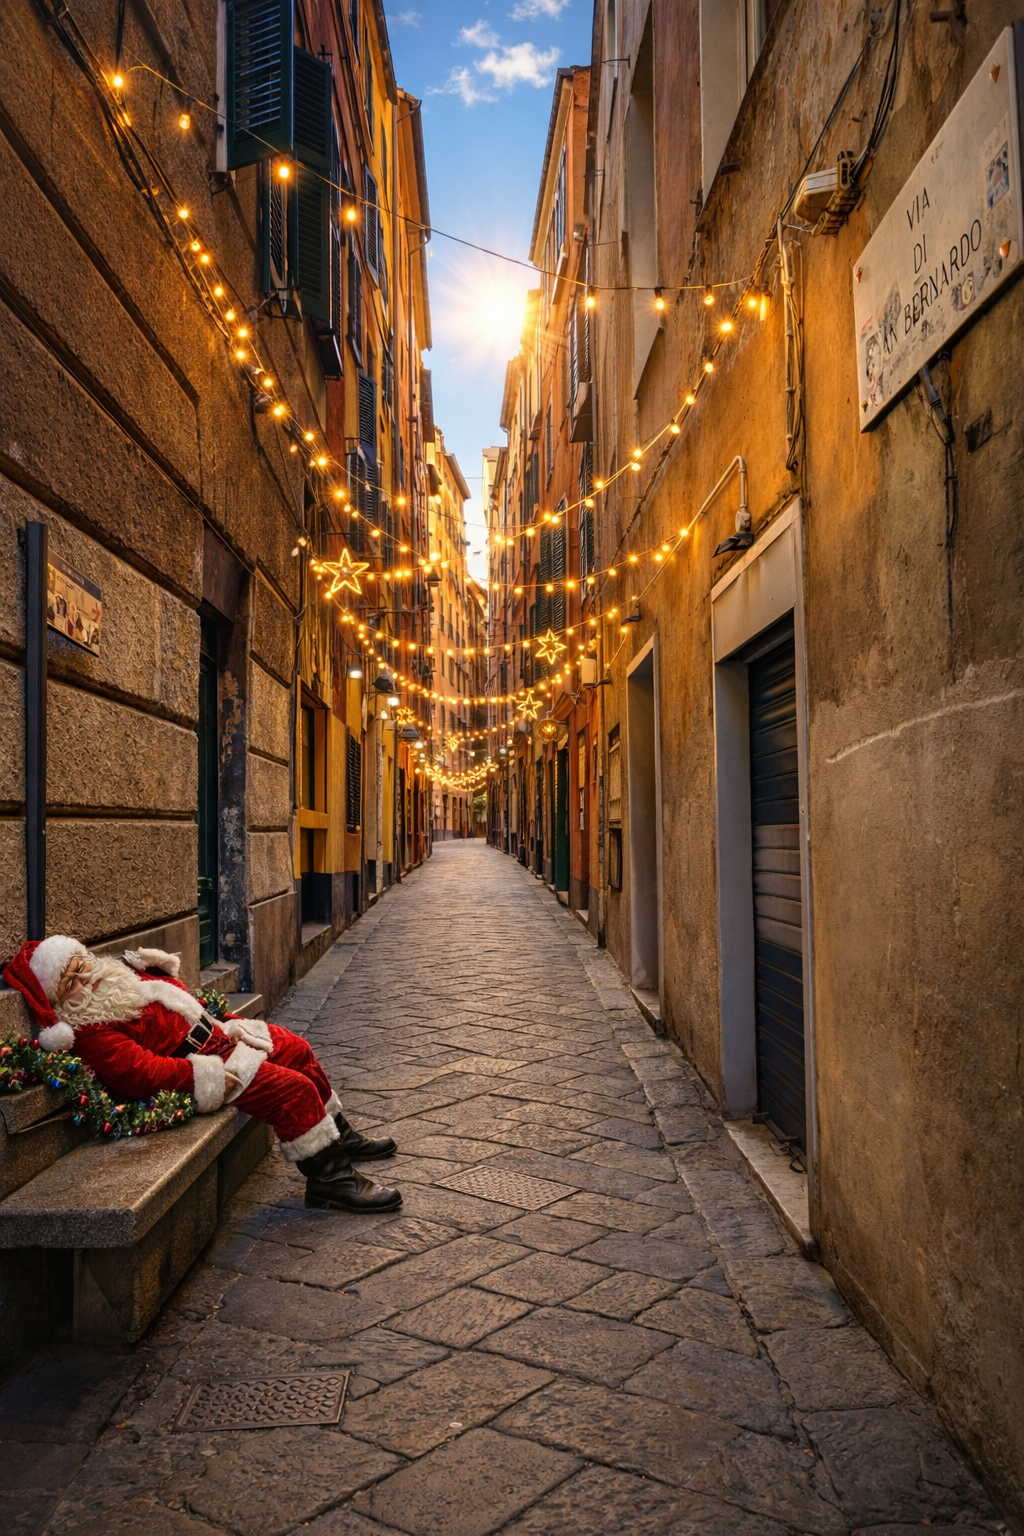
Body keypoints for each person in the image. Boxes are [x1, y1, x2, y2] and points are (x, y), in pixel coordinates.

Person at [2, 936, 400, 1214]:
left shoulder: (124, 977)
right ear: (59, 1002)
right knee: (291, 1091)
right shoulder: (90, 1029)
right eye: (70, 983)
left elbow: (184, 1004)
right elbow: (139, 1074)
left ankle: (340, 1137)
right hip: (204, 1069)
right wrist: (203, 1077)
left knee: (296, 1049)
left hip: (220, 1036)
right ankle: (330, 1181)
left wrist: (220, 1019)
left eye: (82, 965)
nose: (86, 978)